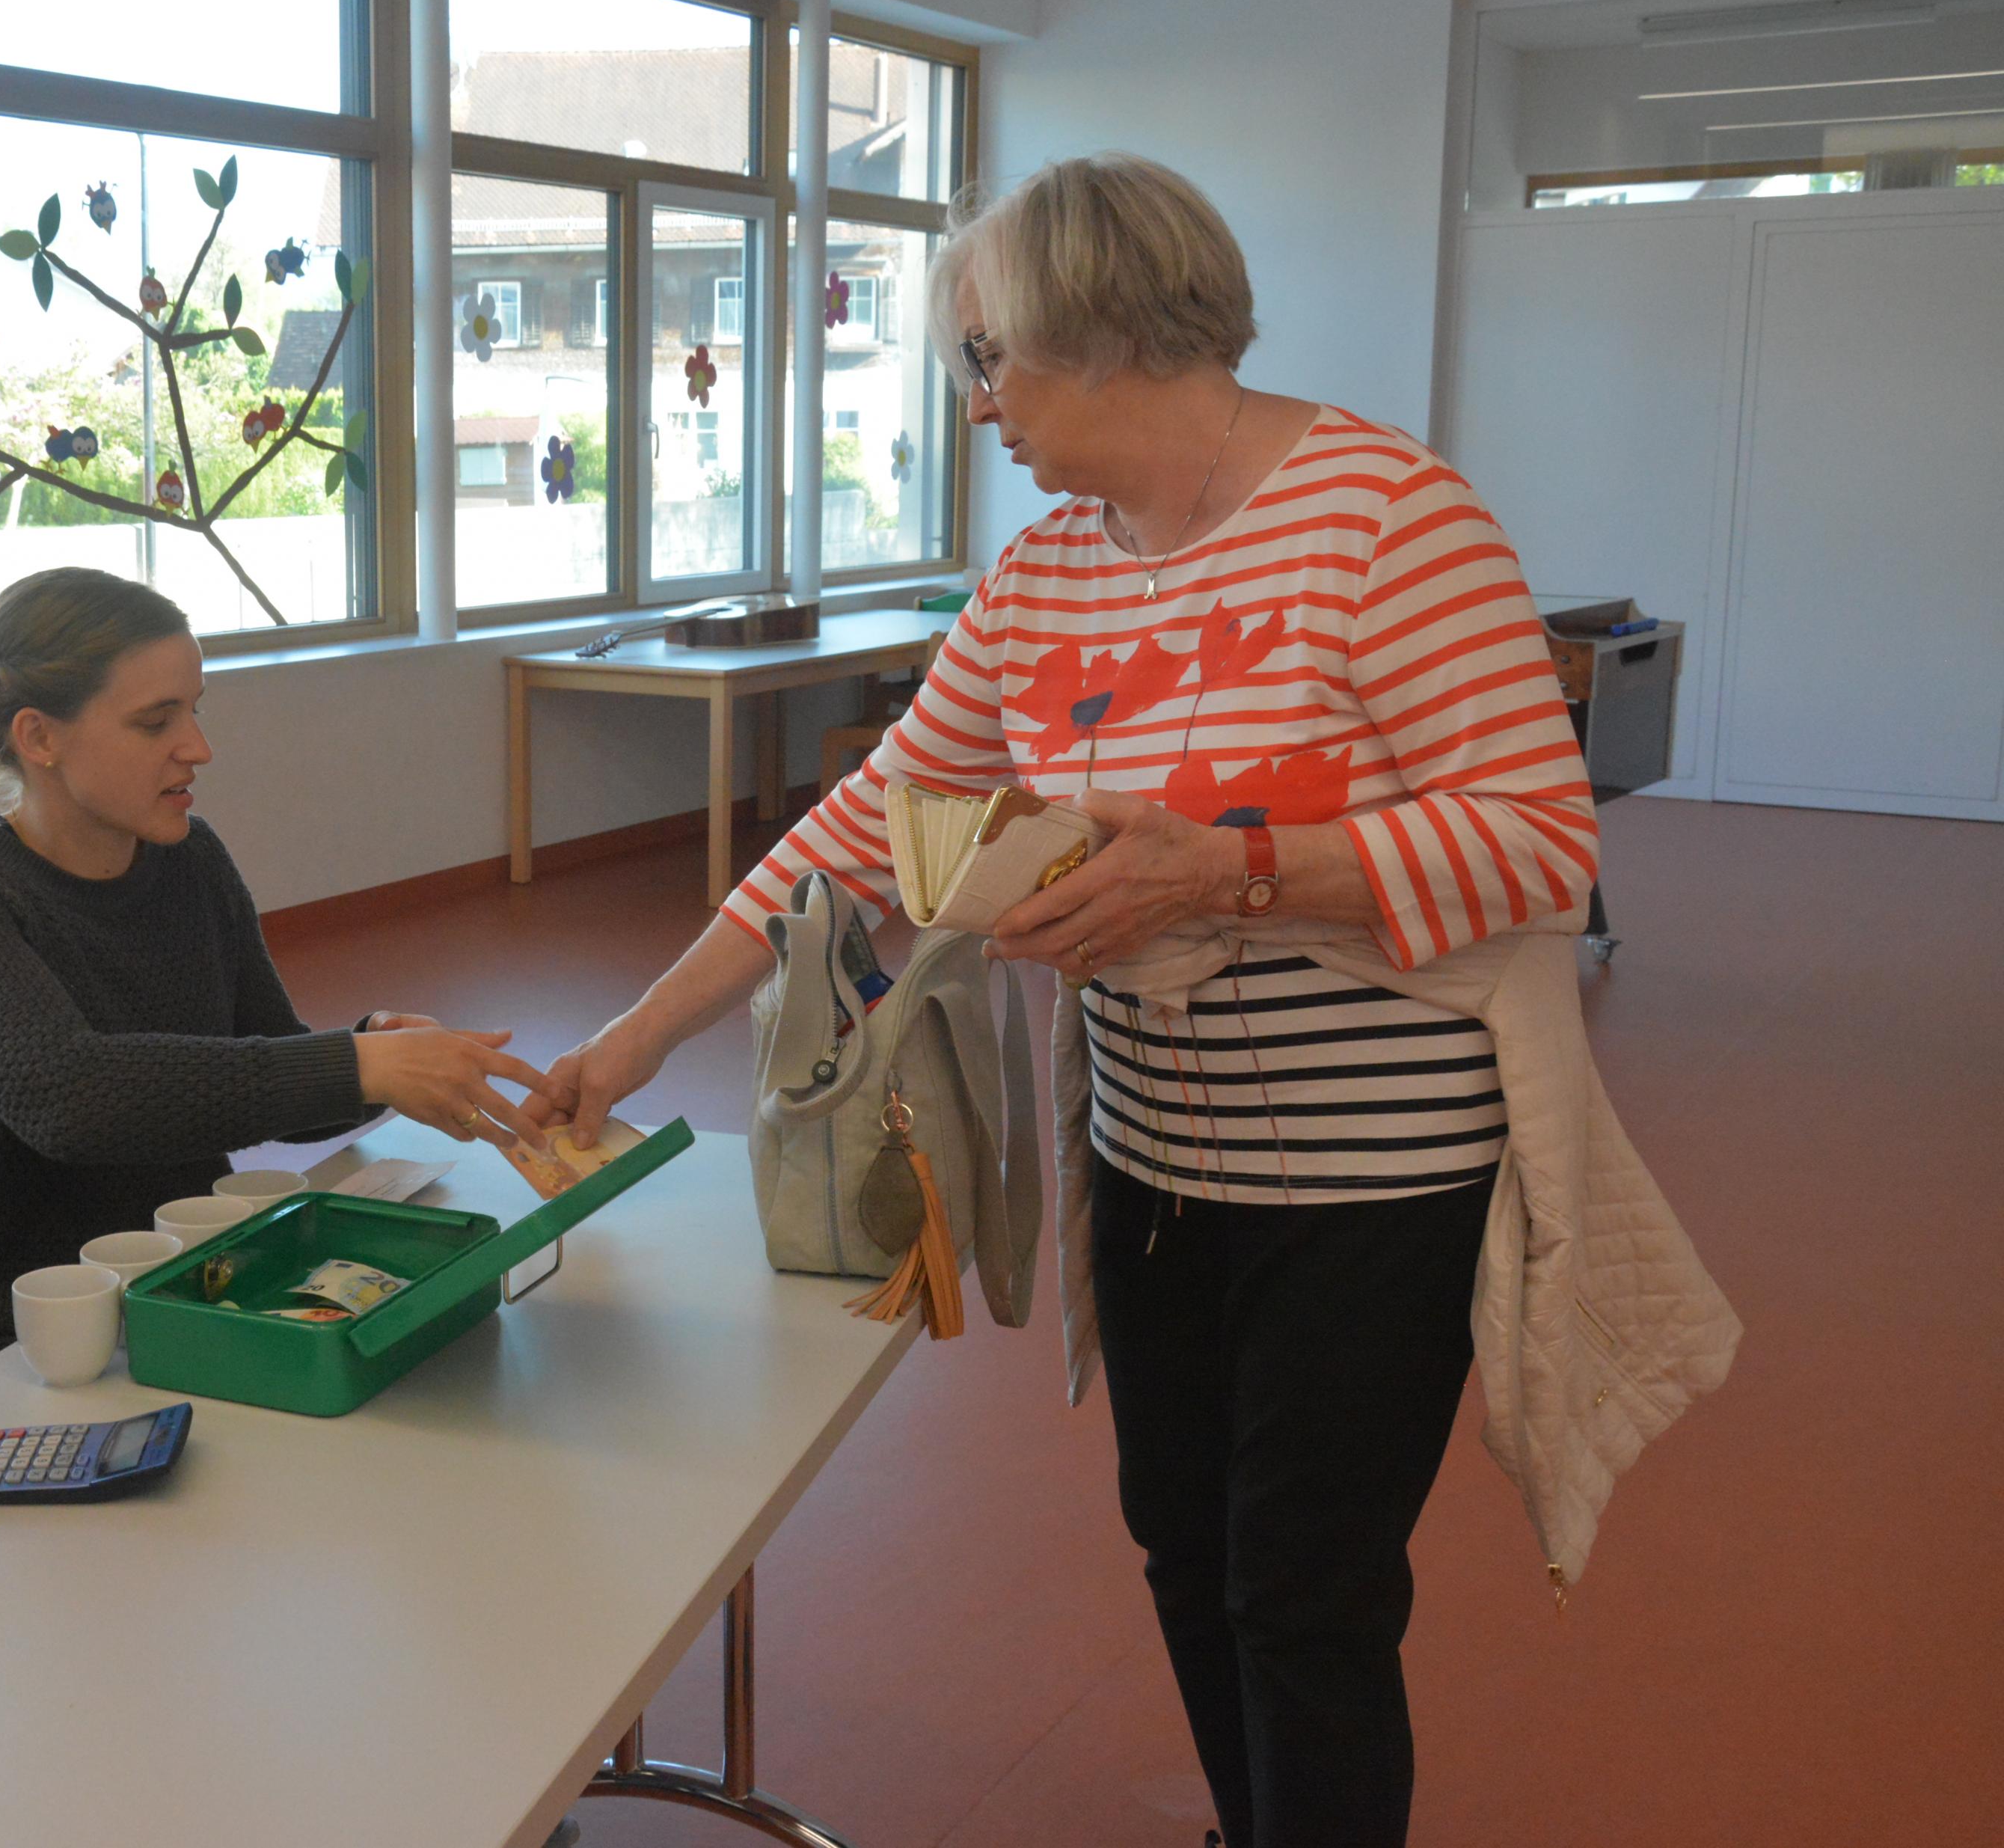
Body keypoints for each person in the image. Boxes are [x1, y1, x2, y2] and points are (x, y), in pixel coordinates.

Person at [524, 156, 1732, 1847]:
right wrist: (633, 1041)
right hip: (1157, 1159)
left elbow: (1539, 840)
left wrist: (1228, 873)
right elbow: (865, 825)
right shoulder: (1043, 579)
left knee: (1302, 1589)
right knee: (1181, 1540)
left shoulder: (1388, 521)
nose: (975, 406)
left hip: (1374, 1179)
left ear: (1097, 331)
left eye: (985, 359)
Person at [0, 566, 550, 1405]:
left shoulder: (189, 859)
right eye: (155, 721)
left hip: (187, 1306)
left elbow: (262, 1064)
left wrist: (370, 1050)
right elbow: (70, 1099)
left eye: (195, 710)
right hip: (1, 1355)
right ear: (39, 737)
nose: (197, 747)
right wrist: (356, 1066)